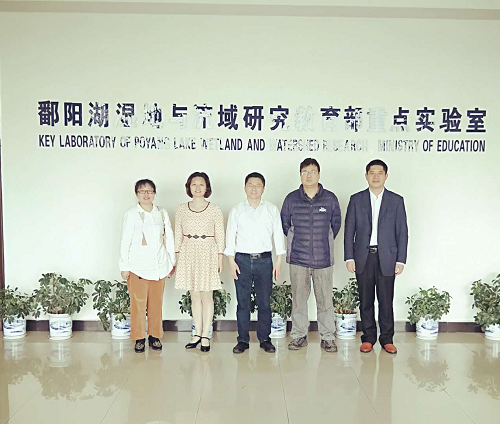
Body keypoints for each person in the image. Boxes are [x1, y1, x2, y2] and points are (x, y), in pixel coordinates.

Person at [344, 159, 408, 354]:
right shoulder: (356, 199)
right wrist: (349, 257)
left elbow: (402, 232)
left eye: (380, 173)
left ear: (386, 176)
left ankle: (387, 339)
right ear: (366, 176)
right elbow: (349, 230)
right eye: (372, 173)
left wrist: (401, 259)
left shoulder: (396, 200)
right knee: (366, 300)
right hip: (363, 256)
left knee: (386, 300)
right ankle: (368, 338)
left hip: (387, 257)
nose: (376, 176)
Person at [281, 158, 341, 353]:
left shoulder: (330, 198)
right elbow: (285, 224)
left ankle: (328, 337)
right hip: (298, 259)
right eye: (305, 172)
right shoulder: (291, 199)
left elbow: (336, 224)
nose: (309, 175)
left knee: (325, 301)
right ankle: (299, 336)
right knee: (299, 300)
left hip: (323, 259)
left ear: (319, 174)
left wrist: (323, 241)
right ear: (300, 175)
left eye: (312, 171)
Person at [225, 172, 285, 354]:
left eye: (258, 185)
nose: (254, 188)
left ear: (263, 188)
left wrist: (279, 260)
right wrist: (231, 261)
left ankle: (265, 339)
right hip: (241, 260)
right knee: (243, 302)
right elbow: (230, 236)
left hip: (265, 260)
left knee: (264, 302)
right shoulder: (237, 210)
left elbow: (278, 234)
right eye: (250, 185)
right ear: (245, 187)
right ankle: (242, 340)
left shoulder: (271, 210)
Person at [119, 179, 176, 353]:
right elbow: (125, 241)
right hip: (137, 267)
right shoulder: (131, 214)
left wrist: (171, 262)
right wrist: (124, 266)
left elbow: (169, 238)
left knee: (156, 304)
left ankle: (155, 335)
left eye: (149, 191)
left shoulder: (161, 213)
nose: (146, 194)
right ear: (136, 194)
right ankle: (138, 338)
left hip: (159, 266)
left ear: (154, 193)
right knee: (138, 305)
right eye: (142, 191)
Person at [175, 172, 225, 352]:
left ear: (207, 187)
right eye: (194, 184)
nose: (197, 188)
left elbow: (220, 234)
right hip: (188, 251)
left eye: (201, 184)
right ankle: (196, 333)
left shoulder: (215, 209)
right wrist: (178, 256)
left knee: (207, 296)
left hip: (208, 251)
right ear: (189, 187)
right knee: (194, 295)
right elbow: (177, 233)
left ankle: (205, 335)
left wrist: (220, 257)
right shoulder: (181, 208)